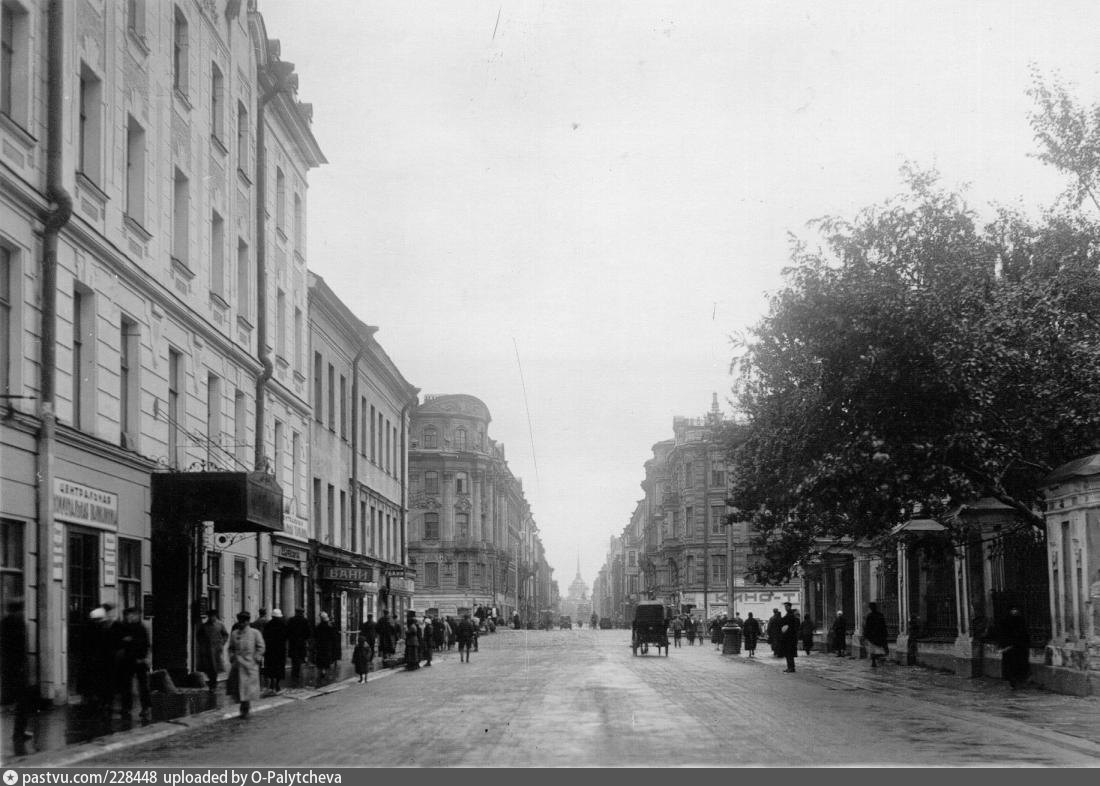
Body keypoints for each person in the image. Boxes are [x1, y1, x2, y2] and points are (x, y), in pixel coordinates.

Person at [2, 599, 34, 755]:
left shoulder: (4, 622)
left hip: (8, 669)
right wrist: (23, 668)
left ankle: (19, 732)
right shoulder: (17, 622)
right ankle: (18, 733)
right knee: (23, 702)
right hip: (17, 670)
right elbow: (19, 649)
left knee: (19, 701)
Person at [116, 606, 152, 723]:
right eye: (128, 615)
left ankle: (146, 708)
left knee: (143, 686)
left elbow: (145, 645)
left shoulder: (141, 628)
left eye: (131, 615)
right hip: (127, 661)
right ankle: (126, 707)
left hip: (139, 661)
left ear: (137, 615)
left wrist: (142, 657)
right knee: (126, 685)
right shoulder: (124, 627)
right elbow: (120, 642)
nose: (129, 617)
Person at [228, 611, 265, 719]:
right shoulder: (234, 633)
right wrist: (231, 657)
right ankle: (243, 705)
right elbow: (231, 648)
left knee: (247, 689)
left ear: (248, 622)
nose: (241, 624)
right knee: (238, 688)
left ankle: (245, 707)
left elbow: (261, 646)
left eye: (243, 622)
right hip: (238, 665)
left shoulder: (255, 633)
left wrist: (257, 657)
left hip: (249, 665)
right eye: (240, 621)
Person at [997, 605, 1031, 689]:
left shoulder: (1021, 621)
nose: (1014, 611)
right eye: (1013, 609)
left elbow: (1025, 634)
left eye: (1016, 609)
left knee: (1020, 666)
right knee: (1011, 667)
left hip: (1020, 648)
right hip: (1010, 649)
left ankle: (1020, 681)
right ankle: (1013, 682)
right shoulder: (1005, 622)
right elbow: (1002, 635)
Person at [195, 608, 228, 694]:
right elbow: (199, 636)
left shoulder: (220, 625)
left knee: (215, 668)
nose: (211, 618)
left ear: (215, 616)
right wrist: (202, 645)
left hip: (216, 650)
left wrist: (222, 644)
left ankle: (213, 685)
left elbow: (225, 634)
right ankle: (212, 684)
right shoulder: (204, 626)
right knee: (208, 669)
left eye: (212, 616)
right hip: (207, 651)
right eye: (210, 616)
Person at [262, 608, 287, 693]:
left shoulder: (268, 625)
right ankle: (277, 684)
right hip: (280, 649)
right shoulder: (283, 624)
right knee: (279, 667)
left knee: (270, 666)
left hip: (270, 649)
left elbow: (264, 636)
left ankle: (272, 682)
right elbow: (285, 636)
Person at [286, 608, 312, 684]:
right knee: (300, 658)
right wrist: (305, 639)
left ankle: (294, 672)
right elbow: (308, 632)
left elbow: (287, 631)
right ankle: (297, 673)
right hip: (301, 643)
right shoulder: (305, 621)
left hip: (293, 643)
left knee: (294, 659)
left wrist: (290, 638)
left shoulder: (291, 620)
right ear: (302, 613)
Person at [313, 611, 340, 682]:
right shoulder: (330, 626)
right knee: (327, 659)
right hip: (328, 645)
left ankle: (322, 670)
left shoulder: (318, 627)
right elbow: (334, 636)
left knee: (320, 659)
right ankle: (324, 671)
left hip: (320, 645)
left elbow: (315, 636)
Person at [863, 601, 889, 668]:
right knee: (878, 649)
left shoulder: (870, 616)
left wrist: (866, 635)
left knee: (874, 650)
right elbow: (884, 625)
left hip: (873, 636)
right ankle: (876, 661)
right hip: (878, 635)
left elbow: (867, 626)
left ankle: (875, 661)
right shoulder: (880, 615)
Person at [779, 602, 800, 672]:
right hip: (789, 637)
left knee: (789, 652)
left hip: (789, 637)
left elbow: (790, 625)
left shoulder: (790, 615)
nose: (785, 608)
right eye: (785, 607)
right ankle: (790, 667)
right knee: (788, 652)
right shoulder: (790, 614)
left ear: (789, 607)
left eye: (786, 606)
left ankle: (791, 667)